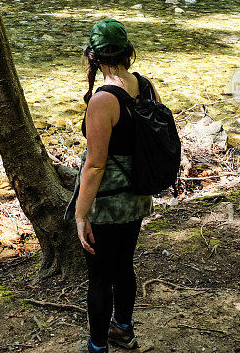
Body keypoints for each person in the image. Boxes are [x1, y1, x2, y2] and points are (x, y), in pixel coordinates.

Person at [65, 19, 159, 353]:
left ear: (93, 56)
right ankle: (124, 330)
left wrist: (80, 213)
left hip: (106, 201)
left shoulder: (102, 100)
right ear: (128, 51)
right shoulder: (145, 86)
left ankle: (97, 346)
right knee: (124, 265)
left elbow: (95, 164)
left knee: (100, 277)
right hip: (138, 195)